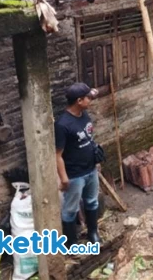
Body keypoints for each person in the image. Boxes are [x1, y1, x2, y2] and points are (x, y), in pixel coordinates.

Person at [55, 82, 101, 248]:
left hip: (90, 169)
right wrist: (64, 178)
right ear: (79, 100)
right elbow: (57, 155)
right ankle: (71, 242)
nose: (91, 100)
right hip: (75, 174)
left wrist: (95, 162)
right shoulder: (62, 125)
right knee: (70, 209)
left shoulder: (84, 115)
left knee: (92, 202)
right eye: (88, 98)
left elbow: (89, 139)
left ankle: (92, 232)